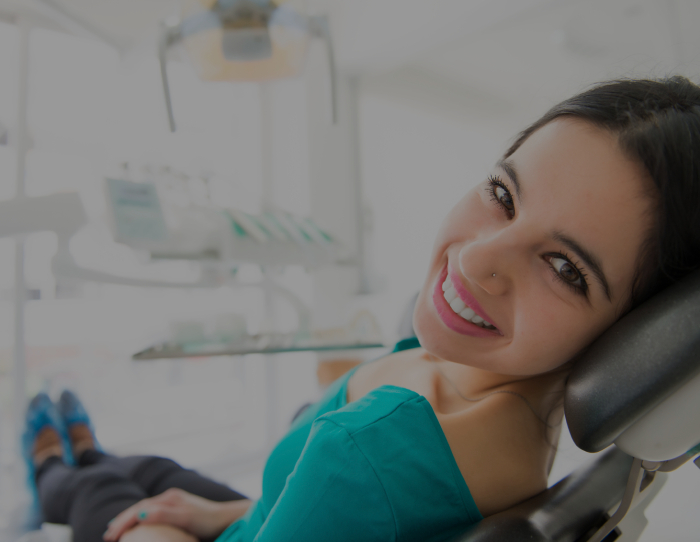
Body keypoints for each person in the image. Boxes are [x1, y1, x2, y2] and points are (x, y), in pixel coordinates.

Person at [23, 76, 700, 542]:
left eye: (565, 269)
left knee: (102, 495)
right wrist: (223, 511)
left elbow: (356, 490)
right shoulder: (490, 408)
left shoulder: (370, 451)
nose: (473, 262)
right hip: (258, 515)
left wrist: (154, 529)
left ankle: (58, 465)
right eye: (502, 193)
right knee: (147, 469)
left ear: (633, 331)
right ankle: (93, 451)